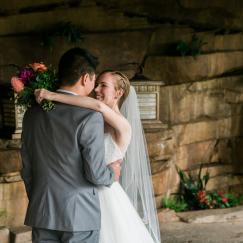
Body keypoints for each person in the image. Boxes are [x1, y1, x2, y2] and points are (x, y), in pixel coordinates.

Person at [35, 70, 161, 243]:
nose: (96, 89)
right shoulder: (92, 118)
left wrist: (52, 95)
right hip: (82, 193)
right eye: (97, 84)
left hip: (105, 193)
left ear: (118, 93)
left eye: (104, 85)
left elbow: (99, 106)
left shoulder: (122, 125)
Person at [21, 48, 122, 243]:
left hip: (42, 213)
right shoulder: (90, 117)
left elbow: (27, 169)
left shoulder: (31, 114)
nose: (94, 87)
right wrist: (112, 173)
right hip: (79, 216)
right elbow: (95, 173)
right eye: (94, 81)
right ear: (86, 78)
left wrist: (39, 200)